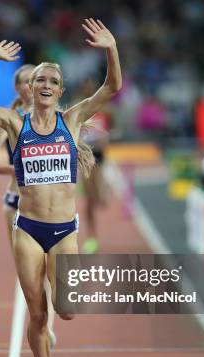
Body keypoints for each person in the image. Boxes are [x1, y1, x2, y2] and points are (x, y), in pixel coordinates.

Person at [0, 18, 121, 357]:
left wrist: (111, 48)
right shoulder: (16, 126)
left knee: (66, 311)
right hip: (29, 230)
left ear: (60, 90)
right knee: (37, 315)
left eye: (53, 81)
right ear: (30, 90)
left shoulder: (72, 121)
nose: (46, 85)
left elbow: (112, 87)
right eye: (40, 81)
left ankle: (56, 286)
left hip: (64, 229)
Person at [0, 64, 57, 347]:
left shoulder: (52, 116)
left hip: (50, 204)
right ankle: (41, 323)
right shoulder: (11, 119)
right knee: (31, 270)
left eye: (33, 81)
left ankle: (45, 321)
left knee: (53, 268)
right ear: (19, 88)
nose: (30, 86)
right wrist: (20, 168)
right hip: (16, 201)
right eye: (26, 82)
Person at [73, 75, 113, 254]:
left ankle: (100, 192)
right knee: (89, 201)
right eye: (86, 87)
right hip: (85, 156)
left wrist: (106, 138)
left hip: (100, 154)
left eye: (91, 87)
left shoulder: (106, 109)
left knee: (98, 200)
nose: (88, 90)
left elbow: (111, 129)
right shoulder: (78, 108)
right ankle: (92, 237)